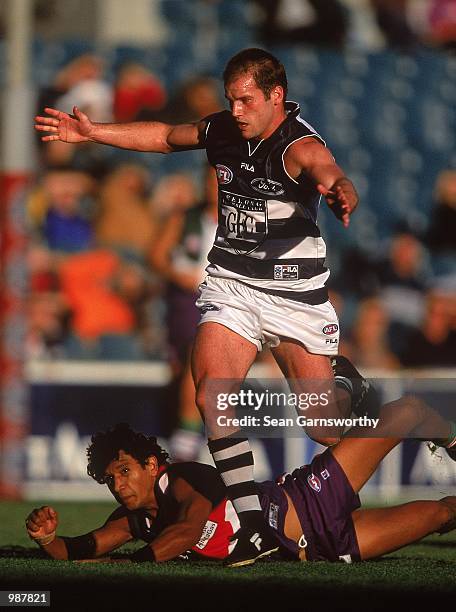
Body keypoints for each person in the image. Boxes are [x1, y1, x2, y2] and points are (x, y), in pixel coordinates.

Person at [35, 48, 359, 565]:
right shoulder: (225, 130)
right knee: (212, 395)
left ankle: (389, 410)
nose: (236, 110)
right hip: (233, 286)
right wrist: (95, 133)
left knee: (324, 428)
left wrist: (341, 190)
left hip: (295, 298)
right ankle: (254, 526)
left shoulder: (298, 146)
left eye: (247, 100)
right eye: (231, 99)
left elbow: (328, 168)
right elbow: (165, 137)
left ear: (276, 96)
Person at [25, 405, 456, 566]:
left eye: (124, 471)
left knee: (405, 412)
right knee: (442, 514)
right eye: (109, 479)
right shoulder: (137, 521)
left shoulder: (182, 480)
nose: (118, 485)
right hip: (320, 546)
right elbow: (84, 547)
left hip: (309, 499)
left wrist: (130, 564)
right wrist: (48, 541)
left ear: (152, 465)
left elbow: (189, 530)